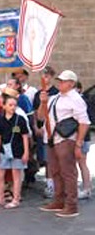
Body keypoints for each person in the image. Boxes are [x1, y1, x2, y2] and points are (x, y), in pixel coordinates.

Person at [39, 70, 91, 218]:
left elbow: (84, 122)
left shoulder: (76, 99)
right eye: (60, 81)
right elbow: (41, 116)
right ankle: (59, 200)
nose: (60, 83)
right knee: (55, 171)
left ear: (71, 83)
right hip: (51, 138)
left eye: (63, 81)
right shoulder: (55, 97)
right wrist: (43, 102)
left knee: (68, 172)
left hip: (66, 139)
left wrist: (78, 144)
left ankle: (71, 205)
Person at [0, 96, 29, 209]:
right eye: (10, 105)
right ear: (4, 106)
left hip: (18, 150)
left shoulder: (20, 119)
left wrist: (26, 152)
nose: (13, 107)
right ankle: (0, 197)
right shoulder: (1, 120)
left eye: (14, 105)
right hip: (4, 149)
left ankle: (16, 199)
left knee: (16, 174)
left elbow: (25, 136)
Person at [75, 81, 91, 199]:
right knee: (81, 163)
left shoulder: (81, 101)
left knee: (81, 163)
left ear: (79, 89)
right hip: (84, 136)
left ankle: (86, 188)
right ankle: (86, 187)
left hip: (82, 136)